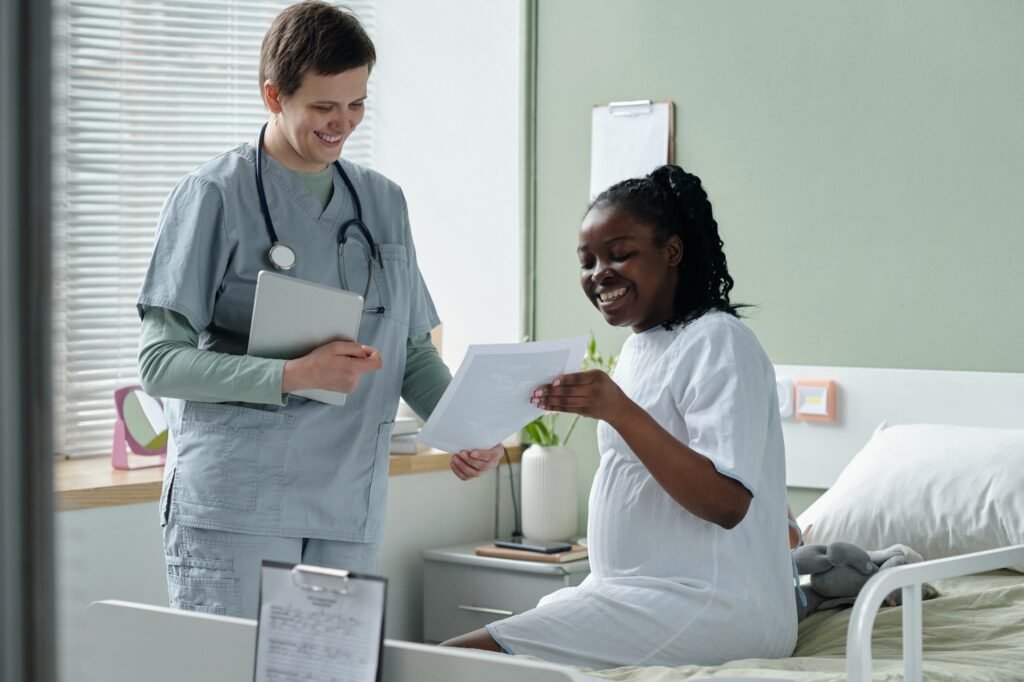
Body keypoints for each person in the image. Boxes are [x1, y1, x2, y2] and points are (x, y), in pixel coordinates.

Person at [137, 1, 500, 619]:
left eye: (357, 104)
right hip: (239, 503)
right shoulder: (213, 196)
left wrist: (461, 426)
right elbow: (160, 362)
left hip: (346, 501)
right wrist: (291, 374)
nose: (343, 123)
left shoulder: (382, 202)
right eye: (324, 107)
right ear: (273, 96)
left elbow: (408, 347)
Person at [442, 165, 797, 668]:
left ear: (671, 252)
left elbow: (728, 502)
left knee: (451, 661)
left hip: (711, 604)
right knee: (489, 653)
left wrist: (617, 409)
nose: (599, 274)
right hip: (631, 593)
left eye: (619, 254)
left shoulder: (719, 340)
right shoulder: (639, 349)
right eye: (587, 262)